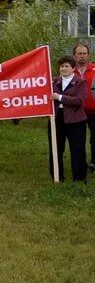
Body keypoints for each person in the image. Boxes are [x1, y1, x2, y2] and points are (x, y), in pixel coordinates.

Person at [50, 55, 89, 182]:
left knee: (77, 149)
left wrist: (59, 97)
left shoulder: (81, 82)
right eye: (62, 66)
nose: (64, 68)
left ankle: (79, 178)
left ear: (73, 68)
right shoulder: (54, 82)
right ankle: (57, 176)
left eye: (67, 66)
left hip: (76, 120)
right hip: (57, 118)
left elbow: (79, 100)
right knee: (56, 148)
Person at [72, 43, 95, 172]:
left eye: (84, 53)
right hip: (76, 111)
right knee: (78, 139)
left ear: (88, 55)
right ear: (74, 56)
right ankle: (80, 164)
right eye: (79, 54)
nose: (82, 56)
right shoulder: (69, 71)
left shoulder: (94, 69)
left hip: (94, 111)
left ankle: (94, 162)